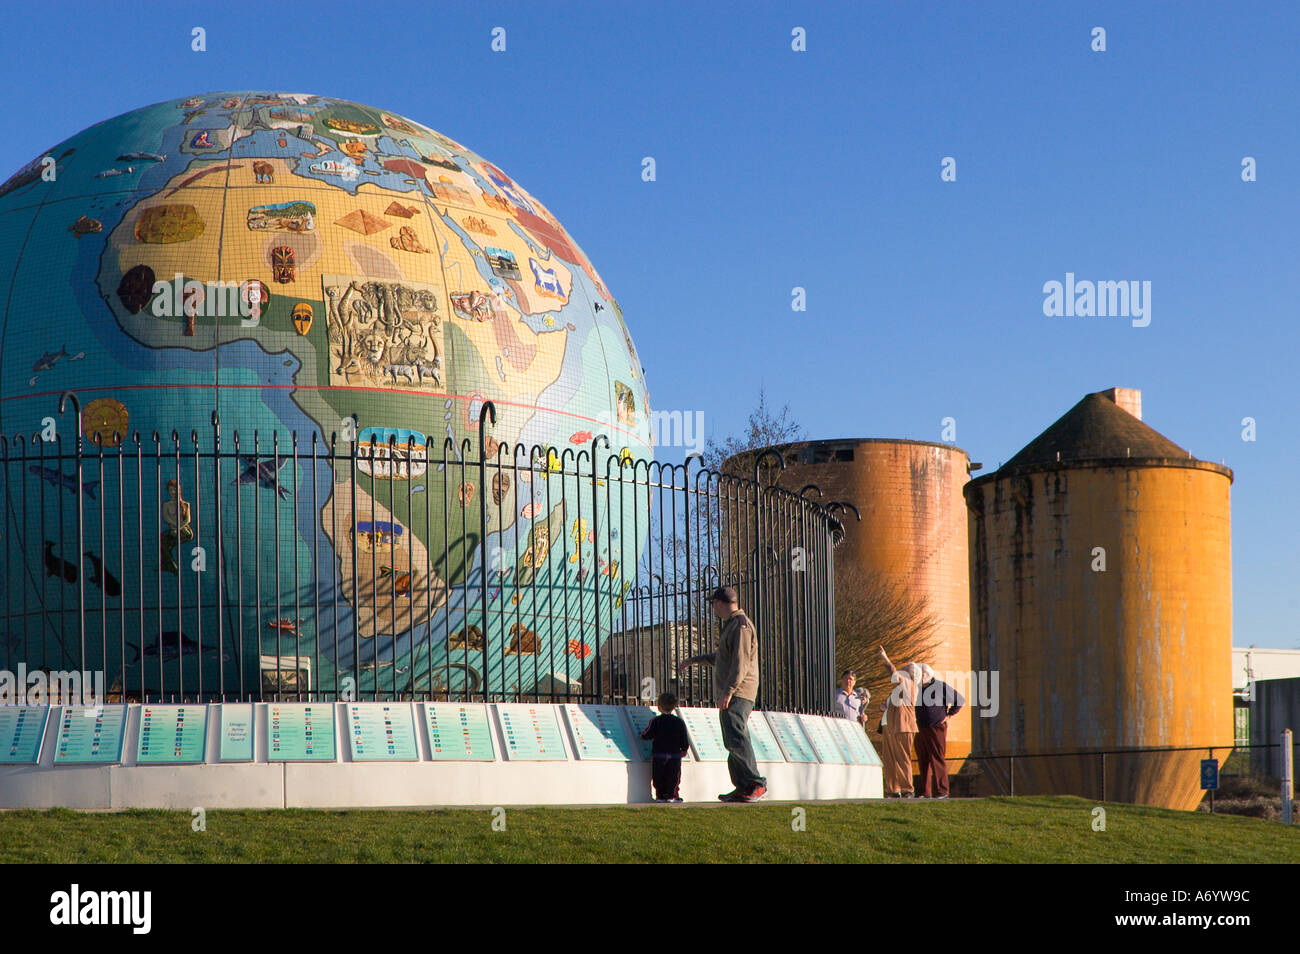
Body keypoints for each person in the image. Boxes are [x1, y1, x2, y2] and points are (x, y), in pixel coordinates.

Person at [677, 585, 767, 802]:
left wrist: (728, 692)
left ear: (720, 603)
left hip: (739, 692)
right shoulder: (731, 626)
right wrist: (694, 661)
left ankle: (756, 783)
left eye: (713, 604)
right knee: (731, 738)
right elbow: (722, 658)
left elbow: (740, 663)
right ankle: (743, 786)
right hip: (734, 692)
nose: (712, 609)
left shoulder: (740, 626)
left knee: (736, 736)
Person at [915, 663, 964, 799]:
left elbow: (959, 700)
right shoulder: (918, 688)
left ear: (929, 674)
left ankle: (942, 791)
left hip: (936, 726)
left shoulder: (939, 686)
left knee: (937, 757)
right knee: (923, 758)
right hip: (921, 727)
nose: (920, 676)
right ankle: (925, 791)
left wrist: (948, 715)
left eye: (923, 673)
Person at [877, 646, 918, 798]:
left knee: (902, 758)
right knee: (890, 759)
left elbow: (894, 674)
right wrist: (885, 706)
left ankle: (908, 789)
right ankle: (893, 789)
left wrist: (885, 657)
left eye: (905, 668)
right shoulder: (900, 687)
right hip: (891, 726)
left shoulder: (908, 683)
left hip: (902, 726)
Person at [640, 691, 691, 802]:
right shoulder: (679, 722)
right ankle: (672, 795)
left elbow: (648, 734)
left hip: (659, 754)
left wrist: (642, 736)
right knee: (673, 776)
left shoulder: (656, 721)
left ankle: (660, 795)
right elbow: (684, 738)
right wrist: (684, 749)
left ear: (659, 706)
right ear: (674, 706)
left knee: (658, 775)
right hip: (674, 755)